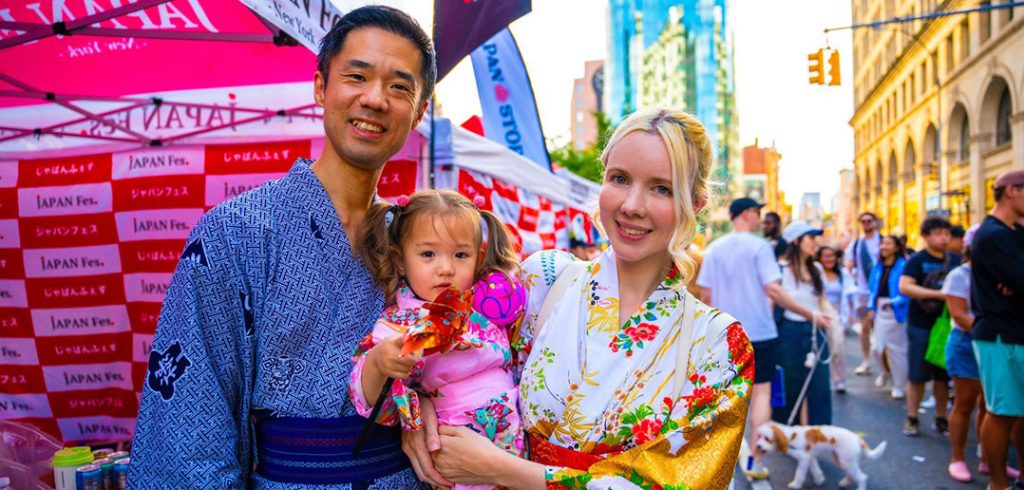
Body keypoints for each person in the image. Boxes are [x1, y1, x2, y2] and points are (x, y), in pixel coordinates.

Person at [128, 6, 436, 487]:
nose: (376, 99)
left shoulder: (416, 244)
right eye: (357, 76)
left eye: (400, 87)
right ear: (321, 87)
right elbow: (189, 422)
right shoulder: (235, 232)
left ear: (418, 112)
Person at [404, 109, 754, 489]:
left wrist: (502, 469)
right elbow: (458, 363)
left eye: (661, 188)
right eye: (619, 179)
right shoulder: (542, 279)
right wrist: (418, 413)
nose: (632, 205)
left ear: (696, 204)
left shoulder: (718, 345)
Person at [350, 190, 525, 490]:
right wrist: (379, 363)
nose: (446, 268)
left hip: (515, 440)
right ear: (400, 261)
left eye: (460, 255)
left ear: (478, 258)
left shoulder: (485, 304)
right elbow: (366, 396)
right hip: (458, 449)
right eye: (428, 254)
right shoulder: (400, 322)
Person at [697, 198, 824, 480]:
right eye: (758, 212)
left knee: (724, 396)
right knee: (762, 392)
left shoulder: (715, 249)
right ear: (747, 214)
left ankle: (720, 462)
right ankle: (754, 459)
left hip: (726, 333)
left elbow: (706, 296)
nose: (760, 218)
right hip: (761, 332)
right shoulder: (760, 248)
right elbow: (774, 292)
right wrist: (810, 314)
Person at [971, 169, 1024, 490]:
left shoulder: (1011, 232)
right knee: (1002, 412)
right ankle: (998, 484)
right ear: (1011, 192)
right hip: (1000, 335)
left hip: (1013, 332)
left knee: (1018, 412)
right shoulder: (993, 235)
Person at [899, 216, 959, 437]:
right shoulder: (917, 260)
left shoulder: (955, 260)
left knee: (943, 374)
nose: (944, 238)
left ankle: (941, 418)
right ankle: (912, 417)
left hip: (946, 326)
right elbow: (905, 287)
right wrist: (939, 295)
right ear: (925, 236)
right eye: (938, 233)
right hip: (920, 324)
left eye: (946, 233)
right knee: (917, 374)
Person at [773, 221, 833, 426]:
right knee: (791, 384)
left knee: (820, 386)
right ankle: (788, 433)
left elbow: (822, 299)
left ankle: (819, 433)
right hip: (789, 332)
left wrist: (827, 317)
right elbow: (774, 304)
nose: (815, 243)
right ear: (796, 241)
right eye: (811, 238)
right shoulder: (780, 270)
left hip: (817, 330)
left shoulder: (816, 268)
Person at [866, 235, 909, 400]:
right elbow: (872, 289)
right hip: (880, 309)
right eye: (882, 243)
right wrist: (871, 307)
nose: (884, 246)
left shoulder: (903, 265)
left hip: (897, 311)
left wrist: (895, 302)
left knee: (897, 350)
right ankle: (885, 371)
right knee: (877, 347)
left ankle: (898, 385)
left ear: (896, 247)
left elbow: (906, 290)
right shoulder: (877, 266)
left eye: (888, 243)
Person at [845, 212, 881, 376]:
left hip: (880, 291)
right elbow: (849, 264)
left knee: (880, 328)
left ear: (875, 222)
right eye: (863, 221)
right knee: (865, 327)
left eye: (869, 220)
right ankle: (866, 360)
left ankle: (884, 365)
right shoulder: (856, 244)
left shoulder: (882, 242)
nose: (866, 224)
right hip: (862, 291)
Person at [817, 245, 854, 393]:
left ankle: (840, 380)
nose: (829, 259)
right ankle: (826, 379)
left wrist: (851, 314)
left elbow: (851, 294)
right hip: (821, 314)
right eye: (825, 256)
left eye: (831, 255)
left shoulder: (843, 274)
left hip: (838, 316)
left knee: (838, 347)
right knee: (822, 349)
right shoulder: (816, 273)